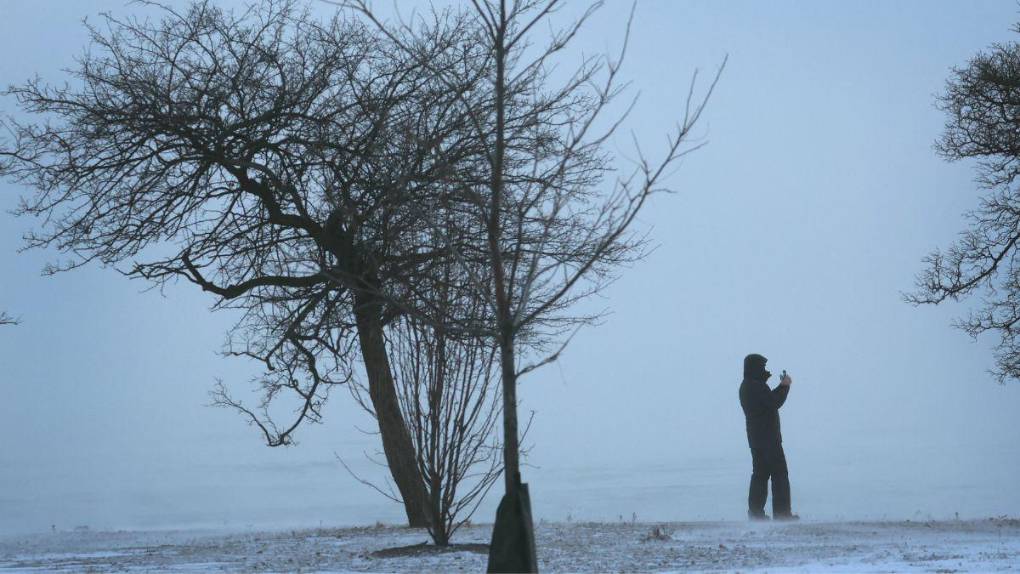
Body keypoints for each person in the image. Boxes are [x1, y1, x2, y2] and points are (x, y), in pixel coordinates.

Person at [739, 353, 798, 520]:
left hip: (756, 438)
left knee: (760, 474)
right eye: (762, 367)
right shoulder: (756, 386)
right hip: (769, 438)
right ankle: (782, 514)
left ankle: (756, 514)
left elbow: (768, 401)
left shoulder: (747, 386)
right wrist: (785, 386)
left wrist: (781, 386)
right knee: (779, 474)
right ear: (755, 368)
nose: (765, 370)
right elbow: (773, 402)